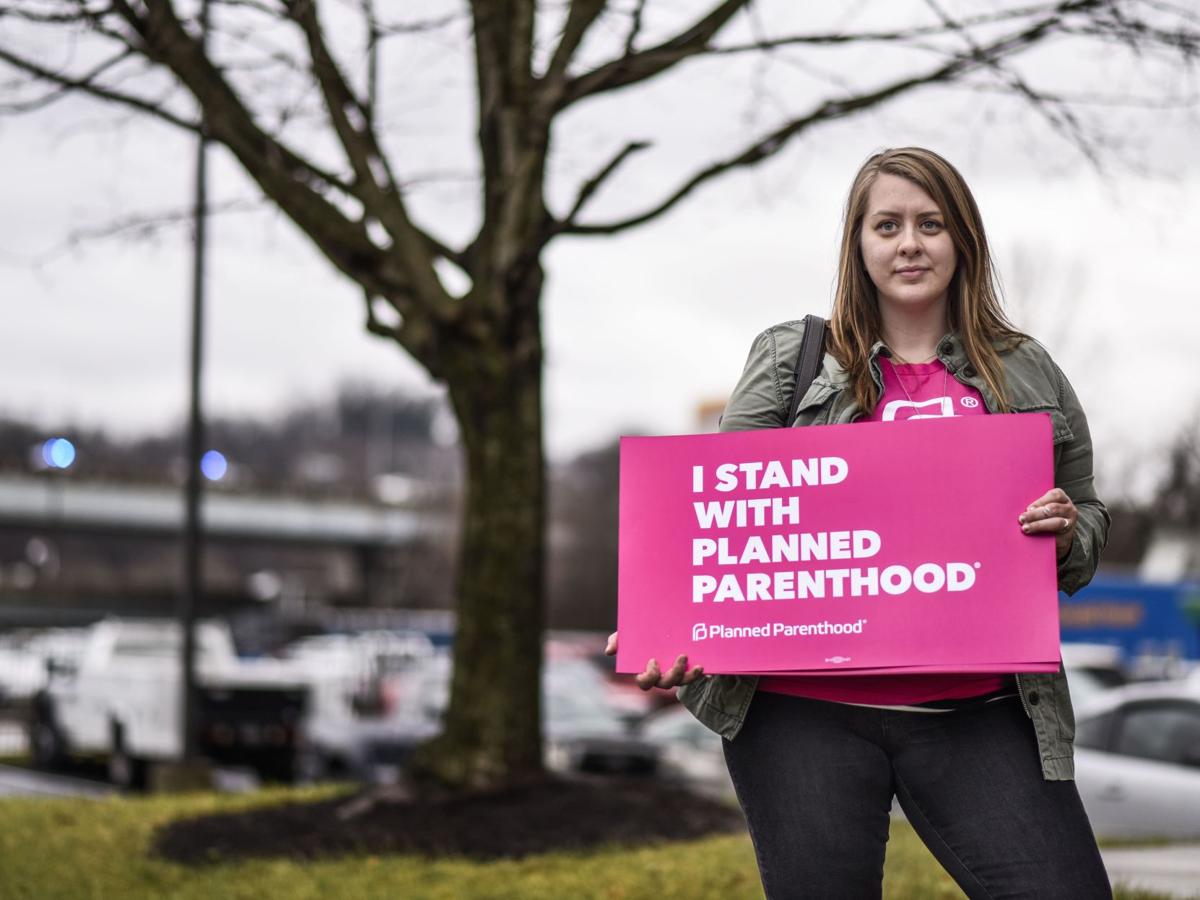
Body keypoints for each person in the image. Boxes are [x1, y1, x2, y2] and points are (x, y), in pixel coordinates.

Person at [606, 147, 1112, 899]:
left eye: (931, 223)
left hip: (981, 711)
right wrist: (667, 627)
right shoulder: (793, 359)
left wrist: (1069, 533)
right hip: (803, 719)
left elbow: (1088, 512)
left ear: (962, 239)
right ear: (860, 244)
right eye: (888, 225)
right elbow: (715, 516)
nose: (910, 242)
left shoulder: (1026, 368)